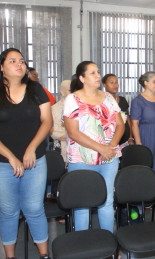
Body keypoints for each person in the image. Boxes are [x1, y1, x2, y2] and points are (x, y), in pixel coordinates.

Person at [0, 48, 52, 259]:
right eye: (12, 61)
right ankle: (10, 258)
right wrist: (10, 156)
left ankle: (44, 255)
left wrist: (31, 149)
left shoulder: (36, 89)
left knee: (34, 208)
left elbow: (47, 121)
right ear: (1, 67)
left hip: (34, 160)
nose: (19, 64)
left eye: (22, 60)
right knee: (8, 211)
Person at [63, 61, 124, 233]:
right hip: (82, 159)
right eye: (92, 73)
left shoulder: (109, 98)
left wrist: (110, 147)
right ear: (81, 78)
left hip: (109, 158)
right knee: (82, 205)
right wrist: (101, 148)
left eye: (98, 72)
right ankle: (84, 252)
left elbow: (120, 125)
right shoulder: (72, 99)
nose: (97, 75)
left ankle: (108, 245)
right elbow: (73, 133)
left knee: (106, 202)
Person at [130, 71, 155, 182]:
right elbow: (134, 124)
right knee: (150, 161)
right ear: (145, 83)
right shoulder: (138, 101)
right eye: (154, 82)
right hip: (147, 135)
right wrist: (139, 144)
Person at [102, 74, 133, 146]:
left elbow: (128, 119)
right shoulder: (102, 101)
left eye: (116, 82)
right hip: (110, 143)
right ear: (104, 85)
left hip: (125, 141)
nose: (115, 85)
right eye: (111, 82)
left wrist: (130, 137)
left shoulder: (122, 100)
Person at [50, 79, 71, 163]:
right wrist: (74, 136)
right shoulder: (54, 109)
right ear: (62, 92)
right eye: (70, 90)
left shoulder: (83, 106)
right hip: (60, 146)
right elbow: (53, 131)